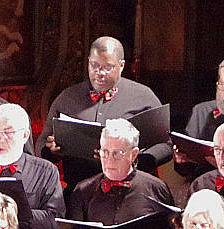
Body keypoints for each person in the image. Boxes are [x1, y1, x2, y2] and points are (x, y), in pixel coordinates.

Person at [39, 36, 170, 186]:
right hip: (78, 190)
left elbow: (166, 145)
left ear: (121, 66)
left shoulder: (143, 96)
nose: (99, 72)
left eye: (107, 67)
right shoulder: (67, 97)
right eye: (94, 65)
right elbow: (42, 144)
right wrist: (51, 151)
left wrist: (136, 159)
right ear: (88, 61)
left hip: (131, 190)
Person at [65, 118, 174, 229]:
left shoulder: (155, 188)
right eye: (105, 152)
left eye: (116, 153)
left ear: (133, 154)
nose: (108, 160)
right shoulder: (83, 190)